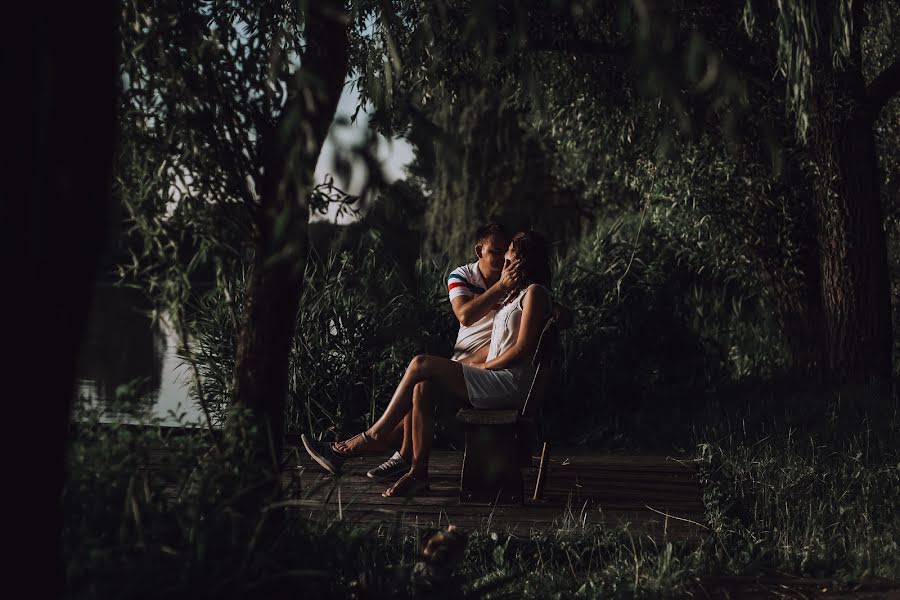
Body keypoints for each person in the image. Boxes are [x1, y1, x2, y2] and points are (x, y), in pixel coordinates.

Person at [301, 230, 554, 497]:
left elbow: (524, 348)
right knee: (422, 386)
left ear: (523, 258)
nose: (505, 256)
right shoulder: (512, 291)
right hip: (494, 376)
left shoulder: (535, 292)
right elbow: (479, 326)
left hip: (507, 383)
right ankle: (418, 472)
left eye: (510, 250)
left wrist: (487, 367)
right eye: (500, 251)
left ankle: (375, 437)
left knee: (420, 363)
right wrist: (481, 363)